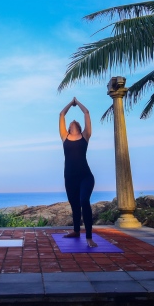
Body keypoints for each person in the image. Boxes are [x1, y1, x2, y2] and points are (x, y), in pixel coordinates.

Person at [59, 97, 97, 248]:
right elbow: (62, 114)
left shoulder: (85, 136)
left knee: (84, 201)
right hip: (69, 178)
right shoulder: (64, 137)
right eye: (70, 122)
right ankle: (76, 231)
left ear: (80, 127)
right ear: (68, 128)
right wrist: (70, 103)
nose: (72, 121)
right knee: (74, 205)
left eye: (75, 122)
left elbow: (86, 112)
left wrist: (77, 102)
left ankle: (89, 237)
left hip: (85, 176)